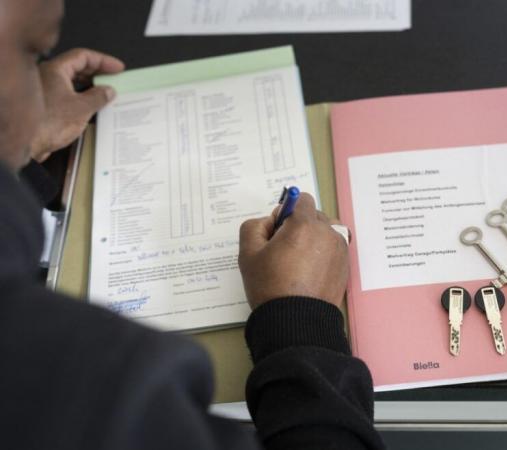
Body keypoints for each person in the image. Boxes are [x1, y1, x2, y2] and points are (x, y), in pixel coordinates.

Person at [0, 1, 384, 449]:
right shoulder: (90, 377)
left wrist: (16, 147)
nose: (40, 82)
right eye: (34, 53)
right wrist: (299, 318)